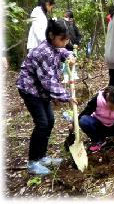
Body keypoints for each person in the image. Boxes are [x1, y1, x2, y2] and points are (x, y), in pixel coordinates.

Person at [16, 19, 76, 175]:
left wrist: (70, 55)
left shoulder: (54, 47)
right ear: (51, 35)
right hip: (30, 90)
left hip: (41, 91)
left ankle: (41, 157)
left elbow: (63, 52)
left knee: (50, 121)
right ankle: (32, 162)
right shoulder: (43, 52)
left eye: (67, 39)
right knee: (42, 123)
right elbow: (49, 82)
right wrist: (67, 96)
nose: (65, 42)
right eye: (62, 39)